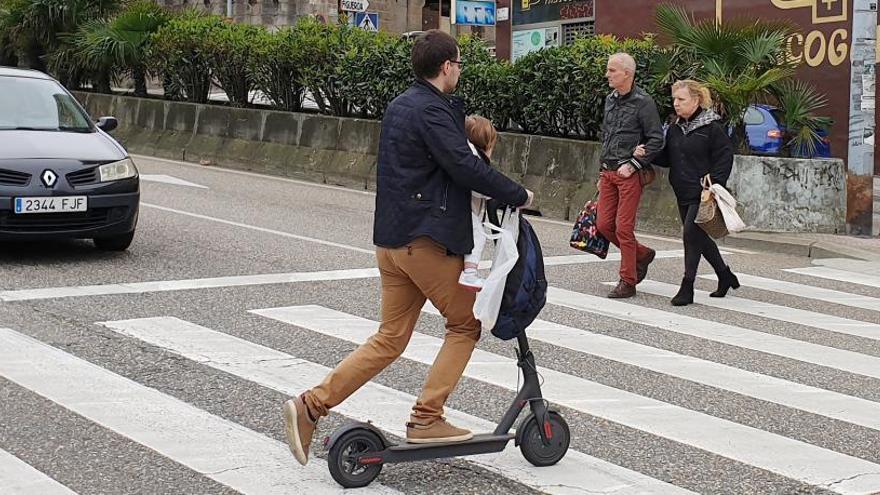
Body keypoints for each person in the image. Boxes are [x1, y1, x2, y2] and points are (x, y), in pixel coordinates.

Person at [282, 29, 534, 466]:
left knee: (390, 337)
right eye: (458, 63)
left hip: (393, 243)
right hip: (426, 242)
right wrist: (519, 195)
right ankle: (427, 417)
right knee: (463, 326)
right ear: (447, 66)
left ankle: (311, 405)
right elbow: (464, 165)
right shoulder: (433, 111)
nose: (459, 70)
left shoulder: (400, 106)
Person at [635, 79, 739, 306]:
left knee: (690, 236)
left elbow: (725, 156)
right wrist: (645, 154)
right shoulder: (674, 128)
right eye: (674, 99)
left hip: (703, 194)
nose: (676, 104)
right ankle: (725, 275)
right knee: (699, 238)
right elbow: (667, 158)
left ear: (697, 100)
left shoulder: (712, 127)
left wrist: (716, 181)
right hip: (681, 190)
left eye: (681, 99)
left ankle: (687, 286)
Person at [597, 52, 664, 298]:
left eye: (612, 70)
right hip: (608, 171)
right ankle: (643, 254)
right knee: (604, 225)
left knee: (623, 228)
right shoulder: (610, 99)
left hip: (628, 174)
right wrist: (601, 168)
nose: (608, 75)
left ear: (627, 73)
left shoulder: (643, 102)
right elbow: (607, 135)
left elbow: (656, 139)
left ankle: (628, 281)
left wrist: (635, 163)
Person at [458, 115, 498, 292]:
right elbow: (479, 186)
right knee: (478, 235)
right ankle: (469, 273)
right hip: (463, 210)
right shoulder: (476, 159)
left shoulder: (461, 152)